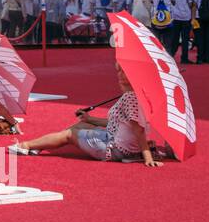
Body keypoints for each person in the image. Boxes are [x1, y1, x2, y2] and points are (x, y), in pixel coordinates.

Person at [10, 64, 162, 166]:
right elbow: (118, 124)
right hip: (119, 142)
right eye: (118, 71)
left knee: (69, 134)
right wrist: (90, 119)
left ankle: (26, 145)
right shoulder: (137, 96)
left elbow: (138, 129)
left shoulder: (130, 98)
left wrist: (147, 156)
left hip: (115, 148)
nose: (120, 75)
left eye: (124, 72)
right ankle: (40, 146)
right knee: (81, 125)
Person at [167, 0, 194, 64]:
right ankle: (184, 58)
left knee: (174, 38)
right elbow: (191, 3)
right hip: (186, 16)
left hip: (174, 16)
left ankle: (170, 56)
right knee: (185, 39)